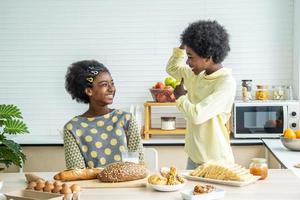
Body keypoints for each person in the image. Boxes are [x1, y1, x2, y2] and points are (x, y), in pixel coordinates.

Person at [166, 20, 236, 169]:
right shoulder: (195, 74)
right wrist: (184, 44)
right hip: (194, 156)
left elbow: (197, 115)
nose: (188, 61)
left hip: (216, 161)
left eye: (191, 56)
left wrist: (180, 97)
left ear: (208, 57)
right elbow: (172, 68)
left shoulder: (225, 83)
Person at [64, 60, 143, 169]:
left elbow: (138, 163)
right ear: (89, 91)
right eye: (104, 85)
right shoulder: (72, 128)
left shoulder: (126, 119)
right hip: (91, 186)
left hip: (127, 184)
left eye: (112, 83)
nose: (111, 89)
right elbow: (77, 173)